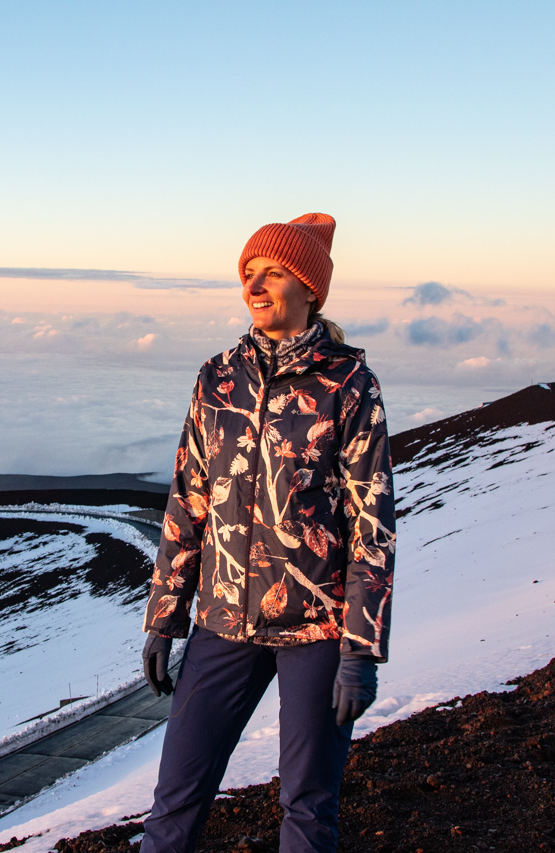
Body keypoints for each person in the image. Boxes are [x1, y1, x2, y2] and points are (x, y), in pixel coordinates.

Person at [139, 213, 396, 853]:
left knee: (308, 809)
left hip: (317, 628)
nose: (257, 285)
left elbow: (372, 522)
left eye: (274, 272)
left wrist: (361, 649)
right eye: (250, 273)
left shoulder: (348, 384)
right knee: (175, 801)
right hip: (221, 622)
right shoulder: (217, 377)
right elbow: (189, 501)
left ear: (311, 290)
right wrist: (163, 616)